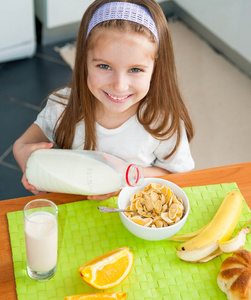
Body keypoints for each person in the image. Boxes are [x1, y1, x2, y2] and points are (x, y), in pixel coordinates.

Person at [13, 0, 195, 200]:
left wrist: (128, 176)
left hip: (130, 213)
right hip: (72, 207)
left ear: (155, 70)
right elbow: (23, 144)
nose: (119, 85)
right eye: (104, 66)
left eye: (135, 69)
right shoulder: (62, 106)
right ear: (85, 61)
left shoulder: (163, 122)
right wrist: (25, 159)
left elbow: (180, 175)